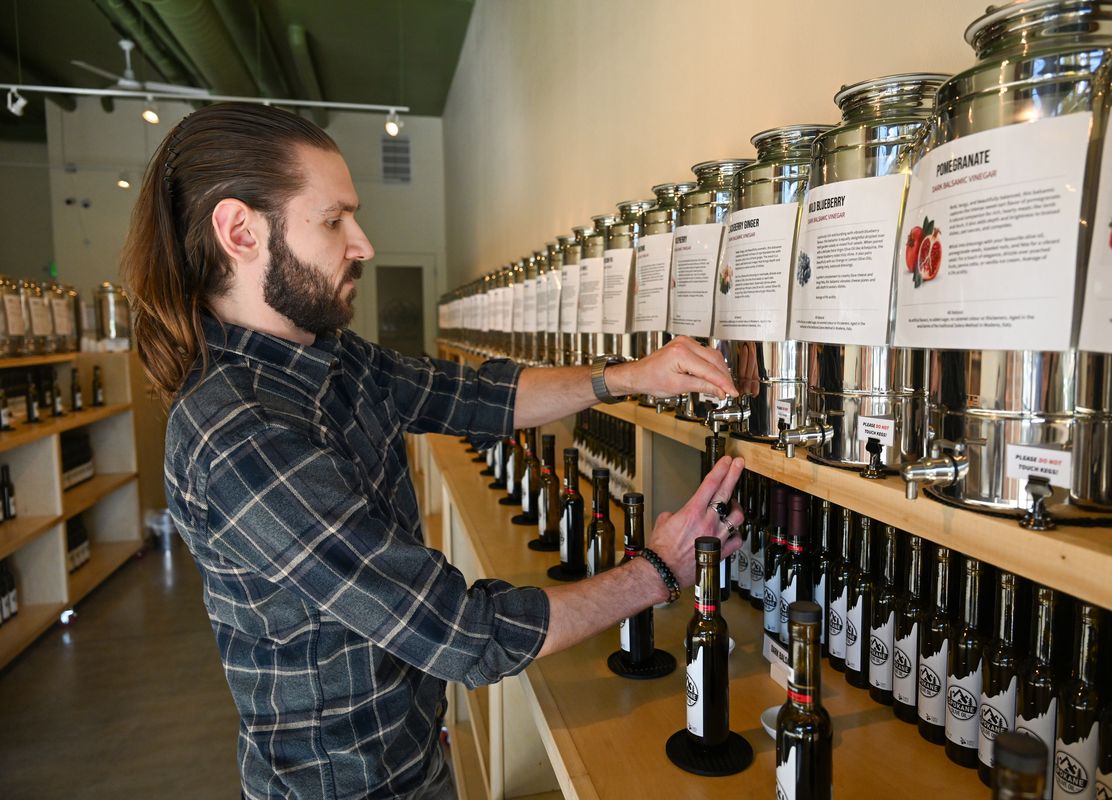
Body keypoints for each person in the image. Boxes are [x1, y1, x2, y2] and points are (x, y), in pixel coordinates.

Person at [122, 103, 746, 800]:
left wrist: (627, 378)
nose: (362, 244)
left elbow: (472, 395)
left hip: (411, 745)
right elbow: (463, 633)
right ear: (240, 231)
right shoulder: (241, 434)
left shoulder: (325, 357)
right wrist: (658, 570)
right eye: (333, 220)